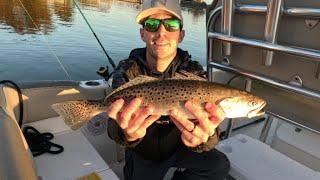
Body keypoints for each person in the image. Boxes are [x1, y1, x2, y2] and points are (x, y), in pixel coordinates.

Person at [107, 0, 230, 179]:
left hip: (180, 147)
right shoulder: (127, 70)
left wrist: (203, 139)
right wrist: (127, 134)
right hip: (143, 152)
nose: (161, 32)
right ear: (142, 33)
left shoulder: (194, 73)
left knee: (219, 166)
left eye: (171, 25)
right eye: (152, 24)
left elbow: (210, 128)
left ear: (181, 35)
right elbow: (113, 125)